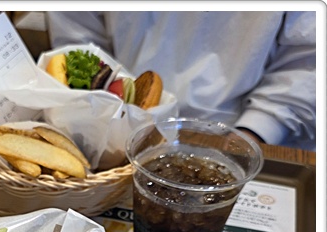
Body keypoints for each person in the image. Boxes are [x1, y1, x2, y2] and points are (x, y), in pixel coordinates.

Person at [46, 11, 316, 150]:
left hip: (245, 129)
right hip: (114, 128)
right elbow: (80, 46)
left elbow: (308, 59)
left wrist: (256, 131)